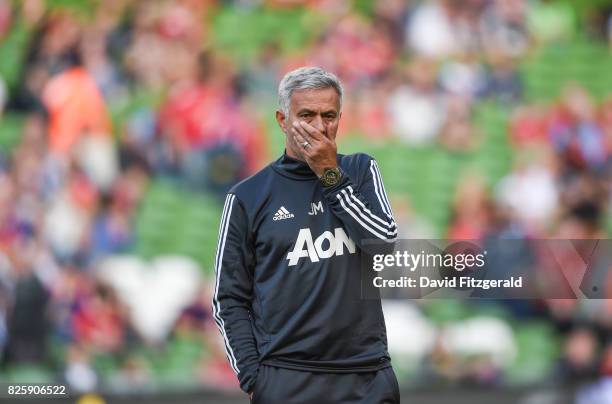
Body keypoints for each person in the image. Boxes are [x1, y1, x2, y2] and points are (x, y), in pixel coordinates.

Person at [212, 67, 400, 403]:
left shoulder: (359, 171)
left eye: (328, 115)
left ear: (340, 118)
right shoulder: (247, 198)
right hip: (288, 379)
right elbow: (229, 298)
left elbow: (384, 246)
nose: (318, 126)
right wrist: (254, 378)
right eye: (306, 115)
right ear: (283, 120)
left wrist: (330, 176)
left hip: (365, 376)